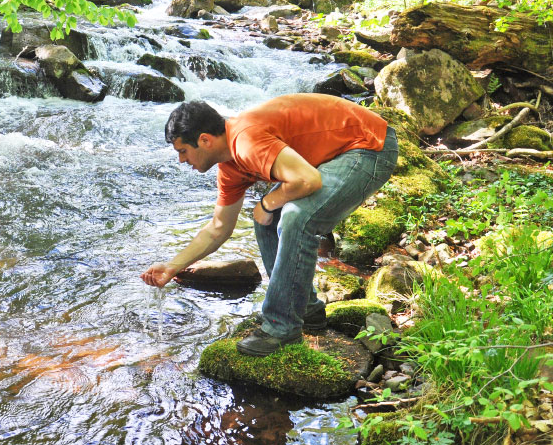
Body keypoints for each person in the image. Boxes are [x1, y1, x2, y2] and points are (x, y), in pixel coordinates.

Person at [140, 93, 398, 356]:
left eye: (183, 151)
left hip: (368, 145)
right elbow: (219, 228)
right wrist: (173, 266)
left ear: (205, 140)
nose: (182, 161)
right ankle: (305, 310)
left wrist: (266, 203)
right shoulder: (230, 166)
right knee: (268, 217)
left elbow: (308, 180)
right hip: (336, 151)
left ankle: (281, 326)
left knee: (295, 216)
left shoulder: (246, 141)